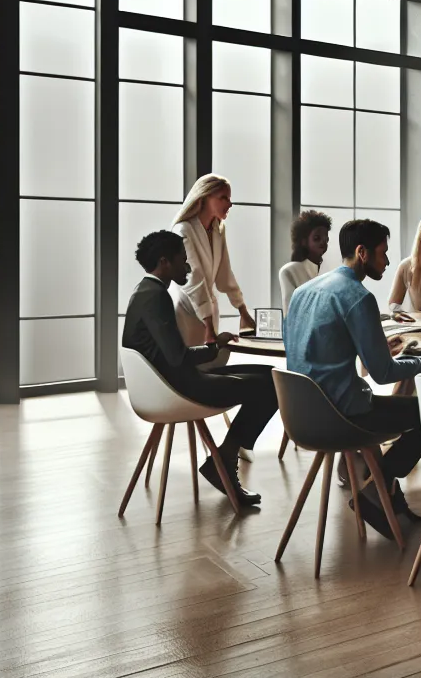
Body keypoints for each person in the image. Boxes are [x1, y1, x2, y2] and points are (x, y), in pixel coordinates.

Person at [284, 218, 421, 535]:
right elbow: (382, 373)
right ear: (362, 253)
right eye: (383, 253)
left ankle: (386, 497)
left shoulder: (303, 291)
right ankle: (374, 491)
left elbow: (314, 347)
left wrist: (378, 348)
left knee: (390, 407)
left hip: (300, 414)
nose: (388, 261)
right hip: (340, 416)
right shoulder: (358, 297)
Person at [124, 230, 278, 506]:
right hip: (179, 387)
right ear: (164, 262)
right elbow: (177, 357)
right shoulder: (155, 296)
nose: (188, 266)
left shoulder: (145, 291)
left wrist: (213, 347)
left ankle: (225, 458)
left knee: (269, 375)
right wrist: (213, 348)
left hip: (173, 380)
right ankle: (226, 459)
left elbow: (174, 356)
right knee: (273, 384)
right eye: (183, 259)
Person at [171, 174, 255, 346]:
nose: (230, 204)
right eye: (223, 197)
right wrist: (208, 325)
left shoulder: (217, 230)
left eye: (229, 198)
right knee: (191, 362)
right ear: (204, 198)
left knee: (209, 363)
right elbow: (194, 276)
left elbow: (225, 273)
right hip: (186, 308)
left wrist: (243, 311)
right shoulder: (183, 230)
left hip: (209, 310)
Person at [278, 209, 331, 309]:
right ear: (303, 241)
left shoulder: (328, 271)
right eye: (317, 238)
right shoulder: (289, 271)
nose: (323, 243)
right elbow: (290, 312)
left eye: (326, 239)